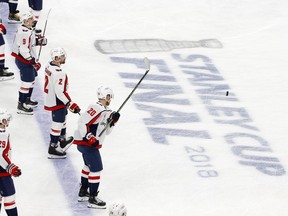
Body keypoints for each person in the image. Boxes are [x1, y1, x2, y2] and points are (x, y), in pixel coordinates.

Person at [73, 86, 120, 209]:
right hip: (87, 144)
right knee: (97, 168)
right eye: (109, 96)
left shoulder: (107, 111)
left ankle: (83, 192)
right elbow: (82, 122)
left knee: (88, 166)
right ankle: (92, 198)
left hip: (89, 144)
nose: (110, 98)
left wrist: (113, 122)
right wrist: (88, 136)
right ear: (105, 96)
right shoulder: (96, 107)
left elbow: (106, 132)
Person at [44, 47, 81, 159]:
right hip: (57, 101)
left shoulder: (49, 65)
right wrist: (69, 103)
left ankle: (62, 140)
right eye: (62, 56)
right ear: (56, 58)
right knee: (57, 124)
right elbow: (59, 92)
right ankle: (53, 148)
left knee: (63, 120)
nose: (65, 57)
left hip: (52, 98)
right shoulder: (59, 73)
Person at [11, 11, 47, 115]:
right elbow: (23, 49)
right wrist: (31, 61)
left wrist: (38, 40)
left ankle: (27, 99)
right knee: (26, 83)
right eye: (31, 19)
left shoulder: (27, 29)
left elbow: (28, 43)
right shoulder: (23, 32)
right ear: (26, 21)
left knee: (31, 80)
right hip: (24, 61)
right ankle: (21, 105)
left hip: (27, 60)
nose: (33, 20)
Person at [0, 108, 22, 216]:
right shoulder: (2, 135)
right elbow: (0, 155)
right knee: (10, 198)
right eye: (5, 119)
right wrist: (10, 167)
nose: (7, 121)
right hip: (2, 173)